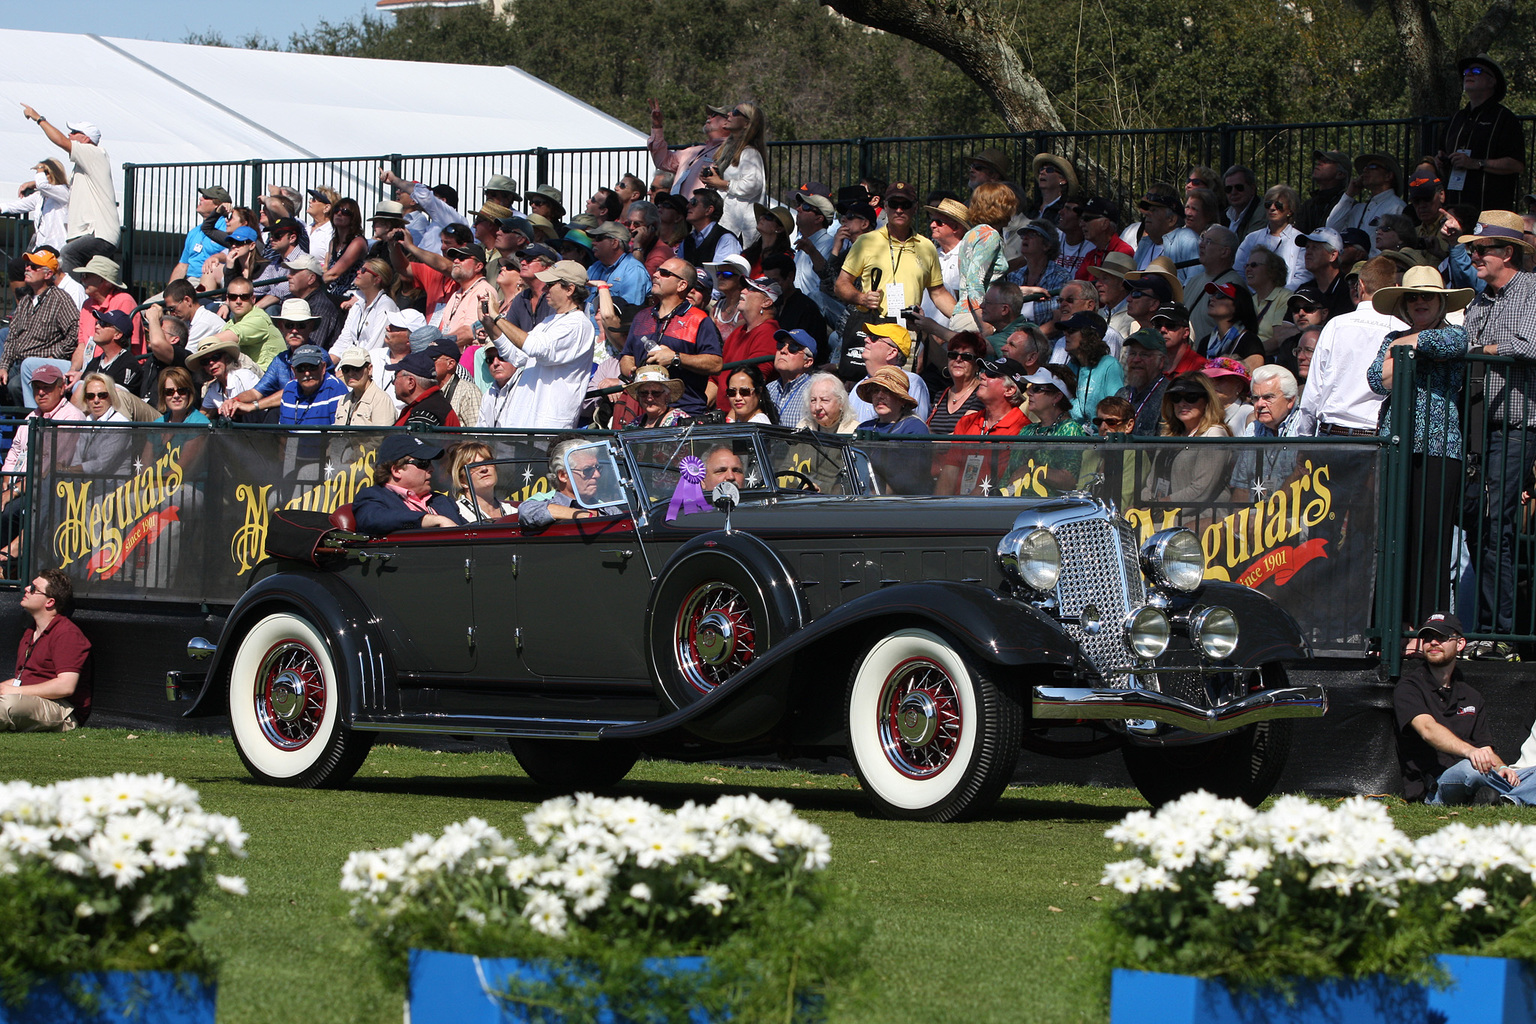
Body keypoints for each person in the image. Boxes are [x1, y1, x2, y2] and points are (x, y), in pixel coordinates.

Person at [1367, 266, 1471, 628]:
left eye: (1427, 296)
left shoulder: (1454, 333)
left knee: (1431, 541)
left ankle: (1429, 628)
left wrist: (1409, 346)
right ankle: (1391, 625)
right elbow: (1378, 381)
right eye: (1413, 296)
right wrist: (1405, 347)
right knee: (1393, 536)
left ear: (1441, 302)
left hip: (1441, 449)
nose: (1420, 302)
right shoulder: (1392, 337)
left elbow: (1451, 345)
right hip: (1396, 446)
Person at [1458, 213, 1536, 659]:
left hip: (1516, 426)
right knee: (1475, 520)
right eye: (1472, 250)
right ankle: (1485, 627)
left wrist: (1487, 351)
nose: (1473, 257)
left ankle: (1499, 632)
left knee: (1494, 523)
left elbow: (1533, 344)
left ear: (1508, 253)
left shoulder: (1532, 289)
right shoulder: (1479, 302)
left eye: (1481, 249)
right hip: (1477, 428)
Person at [1394, 612, 1536, 805]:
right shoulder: (1409, 687)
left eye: (1442, 637)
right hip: (1437, 784)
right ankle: (1512, 795)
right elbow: (1428, 730)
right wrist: (1470, 753)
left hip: (1477, 772)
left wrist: (1501, 767)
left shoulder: (1471, 696)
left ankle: (1508, 799)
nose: (1433, 642)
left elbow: (1484, 747)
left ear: (1460, 644)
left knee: (1518, 771)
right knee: (1471, 770)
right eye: (1427, 638)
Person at [619, 257, 724, 418]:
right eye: (657, 270)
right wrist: (630, 370)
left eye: (664, 273)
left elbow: (716, 364)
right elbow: (627, 355)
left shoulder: (698, 319)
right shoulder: (641, 317)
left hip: (687, 413)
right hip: (645, 412)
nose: (655, 275)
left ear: (682, 285)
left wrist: (676, 358)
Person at [18, 105, 119, 274]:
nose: (69, 135)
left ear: (86, 139)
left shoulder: (94, 153)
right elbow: (64, 187)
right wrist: (34, 183)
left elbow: (60, 141)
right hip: (87, 234)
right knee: (81, 272)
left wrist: (38, 118)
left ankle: (72, 299)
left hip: (98, 233)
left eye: (74, 132)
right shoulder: (83, 167)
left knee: (67, 254)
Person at [836, 182, 955, 322]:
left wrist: (962, 320)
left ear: (915, 208)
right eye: (893, 204)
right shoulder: (866, 242)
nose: (899, 210)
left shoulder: (926, 247)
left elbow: (938, 293)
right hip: (874, 330)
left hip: (909, 331)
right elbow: (841, 284)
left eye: (905, 205)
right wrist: (862, 298)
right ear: (885, 207)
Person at [0, 568, 91, 732]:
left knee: (8, 705)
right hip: (30, 699)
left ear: (50, 602)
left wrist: (15, 691)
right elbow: (23, 679)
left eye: (34, 589)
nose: (27, 589)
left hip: (63, 710)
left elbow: (65, 687)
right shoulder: (31, 632)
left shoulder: (67, 634)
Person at [1438, 55, 1526, 217]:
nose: (1469, 74)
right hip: (1454, 212)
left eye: (1476, 71)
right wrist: (1440, 161)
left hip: (1488, 213)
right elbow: (1442, 154)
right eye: (1467, 71)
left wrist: (1476, 163)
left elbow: (1516, 165)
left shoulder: (1504, 119)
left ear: (1492, 81)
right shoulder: (1456, 119)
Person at [935, 356, 1028, 495]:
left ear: (1010, 390)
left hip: (991, 510)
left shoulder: (1022, 429)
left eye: (991, 374)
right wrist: (938, 509)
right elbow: (950, 471)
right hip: (956, 508)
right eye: (984, 371)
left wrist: (965, 510)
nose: (983, 375)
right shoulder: (966, 422)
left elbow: (998, 479)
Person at [1144, 372, 1232, 508]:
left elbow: (1201, 490)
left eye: (1191, 397)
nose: (1182, 403)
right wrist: (1143, 505)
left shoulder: (1214, 434)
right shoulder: (1169, 434)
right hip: (1162, 513)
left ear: (1207, 401)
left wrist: (1158, 506)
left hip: (1201, 518)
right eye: (1176, 398)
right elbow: (1151, 482)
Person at [2, 249, 78, 405]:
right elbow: (12, 338)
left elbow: (75, 332)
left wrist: (54, 356)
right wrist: (3, 367)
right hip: (18, 363)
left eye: (33, 266)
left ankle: (32, 424)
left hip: (41, 366)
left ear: (48, 274)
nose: (27, 268)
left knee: (15, 385)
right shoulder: (25, 300)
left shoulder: (60, 299)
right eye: (28, 265)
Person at [353, 435, 465, 535]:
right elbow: (374, 520)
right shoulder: (372, 496)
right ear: (397, 470)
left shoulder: (442, 500)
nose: (431, 469)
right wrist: (429, 520)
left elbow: (470, 532)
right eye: (423, 463)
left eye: (431, 463)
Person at [1230, 364, 1304, 503]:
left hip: (1295, 515)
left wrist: (1267, 515)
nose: (1260, 404)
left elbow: (1301, 476)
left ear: (1290, 400)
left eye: (1268, 397)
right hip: (1255, 516)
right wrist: (1234, 521)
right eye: (1256, 398)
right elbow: (1242, 487)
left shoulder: (1303, 428)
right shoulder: (1253, 429)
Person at [698, 103, 766, 249]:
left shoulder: (750, 153)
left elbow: (752, 185)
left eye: (736, 112)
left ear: (747, 123)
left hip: (739, 228)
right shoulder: (728, 151)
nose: (729, 114)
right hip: (726, 222)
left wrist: (721, 183)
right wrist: (712, 179)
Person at [1013, 363, 1086, 494]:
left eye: (1037, 389)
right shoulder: (1027, 430)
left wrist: (1032, 470)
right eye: (1030, 387)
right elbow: (1011, 475)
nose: (1029, 392)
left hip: (1051, 509)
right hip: (1018, 504)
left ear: (1057, 397)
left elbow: (1070, 480)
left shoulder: (1070, 429)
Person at [520, 437, 625, 528]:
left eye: (598, 468)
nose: (597, 475)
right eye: (587, 470)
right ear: (563, 475)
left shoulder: (606, 509)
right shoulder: (545, 501)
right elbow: (527, 512)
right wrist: (585, 516)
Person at [952, 182, 1016, 331]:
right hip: (975, 319)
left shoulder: (973, 233)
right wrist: (984, 323)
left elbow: (988, 282)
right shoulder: (990, 236)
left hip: (964, 314)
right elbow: (975, 281)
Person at [846, 322, 931, 423]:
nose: (866, 339)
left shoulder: (912, 382)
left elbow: (915, 430)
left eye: (874, 337)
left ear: (892, 353)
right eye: (868, 336)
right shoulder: (859, 387)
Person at [647, 100, 729, 202]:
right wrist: (657, 126)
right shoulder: (692, 151)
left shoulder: (734, 152)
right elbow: (662, 161)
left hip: (706, 214)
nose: (709, 117)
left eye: (714, 115)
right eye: (709, 115)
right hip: (679, 213)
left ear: (728, 122)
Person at [1233, 185, 1308, 291]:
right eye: (1268, 204)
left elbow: (1303, 276)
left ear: (1290, 211)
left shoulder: (1300, 241)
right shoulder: (1251, 239)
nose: (1272, 208)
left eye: (1278, 205)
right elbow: (1239, 271)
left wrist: (1280, 296)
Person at [1062, 315, 1124, 425]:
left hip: (1099, 437)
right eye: (1065, 330)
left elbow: (1116, 410)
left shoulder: (1109, 365)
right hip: (1073, 435)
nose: (1065, 334)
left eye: (1071, 330)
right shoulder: (1071, 366)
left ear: (1089, 336)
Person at [69, 372, 133, 476]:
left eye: (102, 395)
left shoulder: (120, 423)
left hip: (114, 487)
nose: (96, 400)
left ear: (111, 396)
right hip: (87, 484)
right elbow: (78, 456)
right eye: (90, 396)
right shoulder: (88, 420)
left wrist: (70, 469)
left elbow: (101, 464)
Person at [0, 157, 68, 252]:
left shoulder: (63, 191)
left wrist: (40, 168)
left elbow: (42, 185)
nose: (39, 175)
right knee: (15, 265)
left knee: (18, 265)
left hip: (57, 247)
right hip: (41, 246)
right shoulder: (40, 196)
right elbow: (16, 206)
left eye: (43, 173)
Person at [926, 331, 988, 435]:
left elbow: (963, 434)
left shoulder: (981, 394)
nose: (958, 359)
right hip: (934, 450)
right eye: (953, 355)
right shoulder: (941, 396)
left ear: (977, 364)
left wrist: (930, 442)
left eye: (966, 357)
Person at [1117, 327, 1172, 436]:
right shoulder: (1122, 394)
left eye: (1144, 354)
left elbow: (1164, 448)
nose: (1136, 360)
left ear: (1161, 361)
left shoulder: (1168, 397)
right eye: (1132, 353)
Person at [1199, 283, 1264, 369]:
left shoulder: (1249, 341)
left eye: (1220, 295)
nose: (1212, 298)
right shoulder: (1205, 342)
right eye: (1212, 295)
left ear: (1238, 304)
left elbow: (1251, 377)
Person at [447, 441, 515, 523]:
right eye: (474, 466)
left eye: (488, 461)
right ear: (462, 481)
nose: (484, 468)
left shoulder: (512, 512)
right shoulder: (456, 514)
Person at [279, 345, 347, 426]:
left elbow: (338, 434)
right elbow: (282, 434)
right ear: (294, 370)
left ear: (323, 368)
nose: (307, 373)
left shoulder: (335, 388)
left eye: (312, 367)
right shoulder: (289, 389)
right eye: (301, 368)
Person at [189, 337, 256, 418]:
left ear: (226, 358)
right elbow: (203, 415)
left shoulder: (243, 375)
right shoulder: (213, 389)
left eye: (216, 357)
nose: (211, 363)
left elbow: (260, 398)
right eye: (205, 361)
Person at [766, 328, 818, 429]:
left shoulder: (815, 390)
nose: (783, 350)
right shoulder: (769, 389)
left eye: (793, 347)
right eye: (780, 345)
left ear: (808, 362)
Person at [1245, 247, 1294, 351]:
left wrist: (1250, 354)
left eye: (1254, 265)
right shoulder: (1250, 300)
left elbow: (1278, 339)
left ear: (1272, 270)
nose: (1248, 269)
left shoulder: (1285, 297)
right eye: (1247, 265)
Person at [855, 366, 926, 435]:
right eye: (876, 390)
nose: (879, 396)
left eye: (887, 391)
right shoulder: (864, 428)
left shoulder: (914, 428)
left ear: (902, 400)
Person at [621, 364, 690, 429]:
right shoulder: (634, 424)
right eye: (644, 393)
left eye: (656, 393)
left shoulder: (681, 420)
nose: (649, 398)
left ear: (667, 395)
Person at [1203, 357, 1254, 435]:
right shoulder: (1202, 412)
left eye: (1220, 379)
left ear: (1239, 387)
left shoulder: (1249, 413)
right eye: (1211, 379)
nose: (1213, 384)